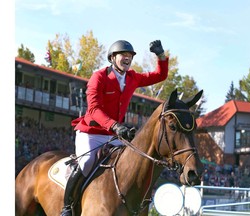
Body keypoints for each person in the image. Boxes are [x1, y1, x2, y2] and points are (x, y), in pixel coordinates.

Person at [60, 39, 169, 216]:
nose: (127, 58)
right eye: (123, 55)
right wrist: (115, 126)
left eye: (130, 56)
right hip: (92, 132)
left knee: (131, 163)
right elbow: (93, 109)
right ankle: (67, 206)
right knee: (87, 162)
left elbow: (160, 76)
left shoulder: (133, 78)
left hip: (114, 134)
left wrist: (160, 55)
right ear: (112, 57)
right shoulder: (99, 77)